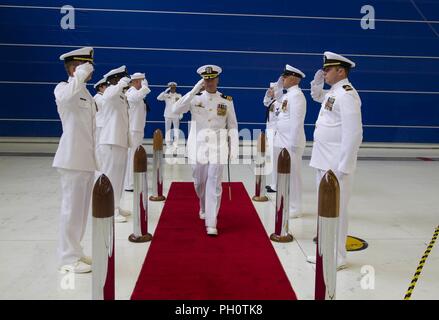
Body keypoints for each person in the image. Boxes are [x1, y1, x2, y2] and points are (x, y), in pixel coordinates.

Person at [307, 51, 363, 270]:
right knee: (325, 209)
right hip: (324, 161)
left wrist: (344, 167)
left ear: (341, 70)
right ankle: (324, 252)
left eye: (328, 69)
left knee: (337, 211)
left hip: (336, 165)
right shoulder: (334, 92)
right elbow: (318, 97)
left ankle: (338, 256)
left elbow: (354, 133)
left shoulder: (347, 94)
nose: (324, 72)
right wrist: (316, 83)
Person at [172, 65, 239, 236]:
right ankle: (203, 205)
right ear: (203, 80)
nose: (209, 82)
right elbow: (176, 110)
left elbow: (232, 125)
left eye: (212, 79)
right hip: (198, 147)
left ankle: (211, 222)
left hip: (218, 147)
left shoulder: (226, 100)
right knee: (199, 182)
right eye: (206, 79)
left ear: (217, 79)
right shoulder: (195, 98)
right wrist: (195, 89)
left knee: (214, 184)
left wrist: (234, 149)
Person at [52, 47, 96, 273]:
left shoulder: (86, 93)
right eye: (85, 65)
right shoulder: (63, 88)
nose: (91, 69)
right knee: (71, 210)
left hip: (86, 160)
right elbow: (66, 97)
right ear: (73, 68)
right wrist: (78, 75)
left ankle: (76, 252)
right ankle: (67, 259)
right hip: (71, 160)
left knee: (80, 211)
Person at [268, 65, 306, 218]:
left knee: (293, 175)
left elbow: (297, 121)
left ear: (293, 78)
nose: (282, 79)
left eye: (285, 77)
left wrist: (294, 143)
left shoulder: (296, 96)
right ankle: (285, 201)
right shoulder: (287, 95)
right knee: (283, 173)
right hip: (281, 139)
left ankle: (295, 207)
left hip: (291, 142)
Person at [99, 65, 131, 223]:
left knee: (119, 177)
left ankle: (116, 205)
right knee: (111, 176)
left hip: (120, 140)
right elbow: (108, 95)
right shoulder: (111, 92)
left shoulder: (121, 96)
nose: (126, 80)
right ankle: (109, 208)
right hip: (111, 140)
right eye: (122, 77)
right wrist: (119, 84)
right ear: (114, 79)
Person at [124, 72, 151, 191]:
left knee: (135, 156)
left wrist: (144, 88)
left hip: (138, 129)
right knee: (132, 156)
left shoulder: (138, 94)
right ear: (135, 81)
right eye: (141, 81)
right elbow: (137, 97)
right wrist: (145, 87)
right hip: (133, 129)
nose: (143, 83)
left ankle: (133, 182)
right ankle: (129, 184)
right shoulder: (131, 92)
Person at [263, 80, 283, 193]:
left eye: (273, 90)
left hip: (276, 134)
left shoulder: (281, 102)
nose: (271, 92)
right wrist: (267, 94)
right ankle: (273, 183)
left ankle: (276, 185)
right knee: (272, 160)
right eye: (271, 90)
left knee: (276, 159)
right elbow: (265, 102)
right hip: (270, 133)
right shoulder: (273, 102)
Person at [157, 82, 183, 150]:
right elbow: (158, 98)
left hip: (176, 115)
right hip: (167, 115)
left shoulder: (179, 95)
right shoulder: (166, 95)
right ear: (169, 88)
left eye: (173, 87)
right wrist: (165, 91)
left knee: (176, 130)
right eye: (171, 87)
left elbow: (181, 105)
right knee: (167, 129)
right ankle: (168, 143)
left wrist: (181, 114)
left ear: (175, 88)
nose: (172, 88)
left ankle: (176, 143)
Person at [93, 77, 108, 167]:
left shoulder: (101, 97)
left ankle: (102, 162)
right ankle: (99, 164)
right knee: (99, 145)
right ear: (101, 87)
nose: (108, 88)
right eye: (106, 86)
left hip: (103, 124)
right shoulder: (98, 97)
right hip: (100, 124)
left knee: (102, 145)